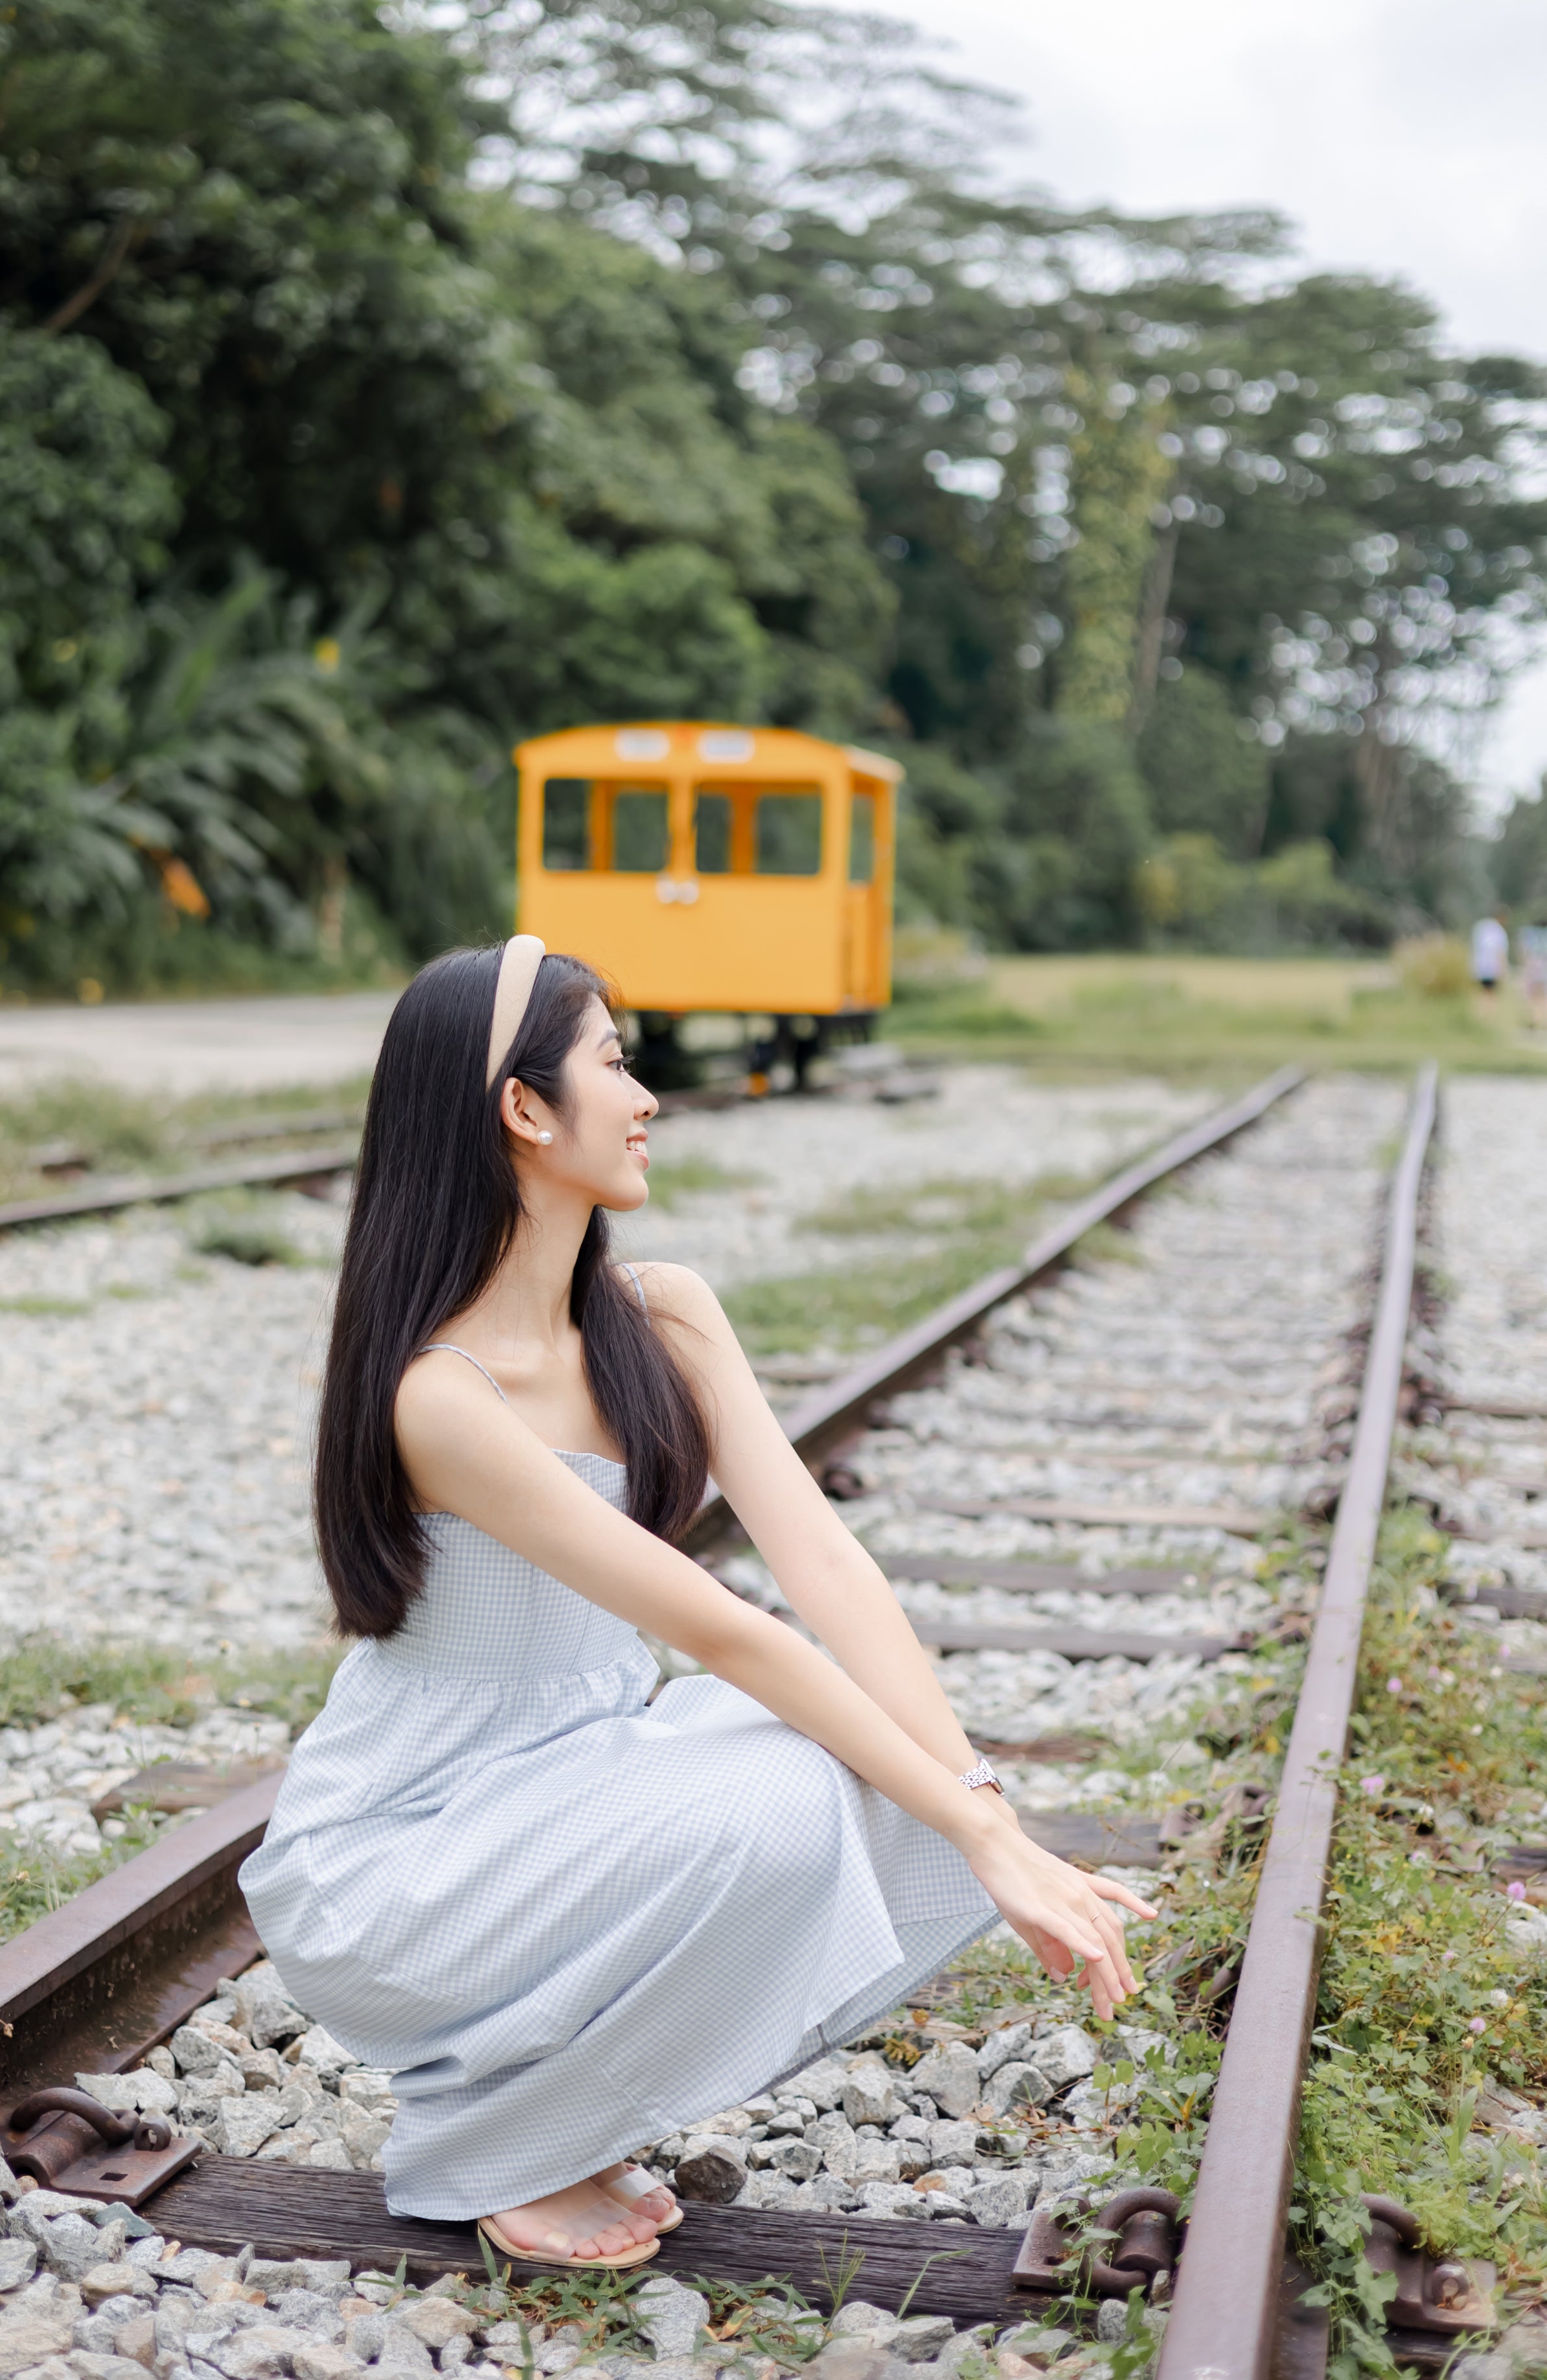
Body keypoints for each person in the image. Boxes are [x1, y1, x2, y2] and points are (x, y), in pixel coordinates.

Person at [240, 938, 1154, 2270]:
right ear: (525, 1106)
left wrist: (983, 1805)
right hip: (411, 1849)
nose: (648, 1094)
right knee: (798, 1787)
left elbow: (825, 1567)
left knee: (858, 1759)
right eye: (615, 1061)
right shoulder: (445, 1395)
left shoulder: (661, 1314)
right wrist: (985, 1835)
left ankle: (544, 2113)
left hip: (570, 1787)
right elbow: (725, 1627)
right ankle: (493, 2144)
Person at [1471, 913, 1510, 992]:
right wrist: (1503, 969)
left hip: (1480, 966)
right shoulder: (1499, 931)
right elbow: (1500, 951)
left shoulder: (1481, 926)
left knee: (1483, 991)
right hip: (1493, 968)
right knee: (1491, 992)